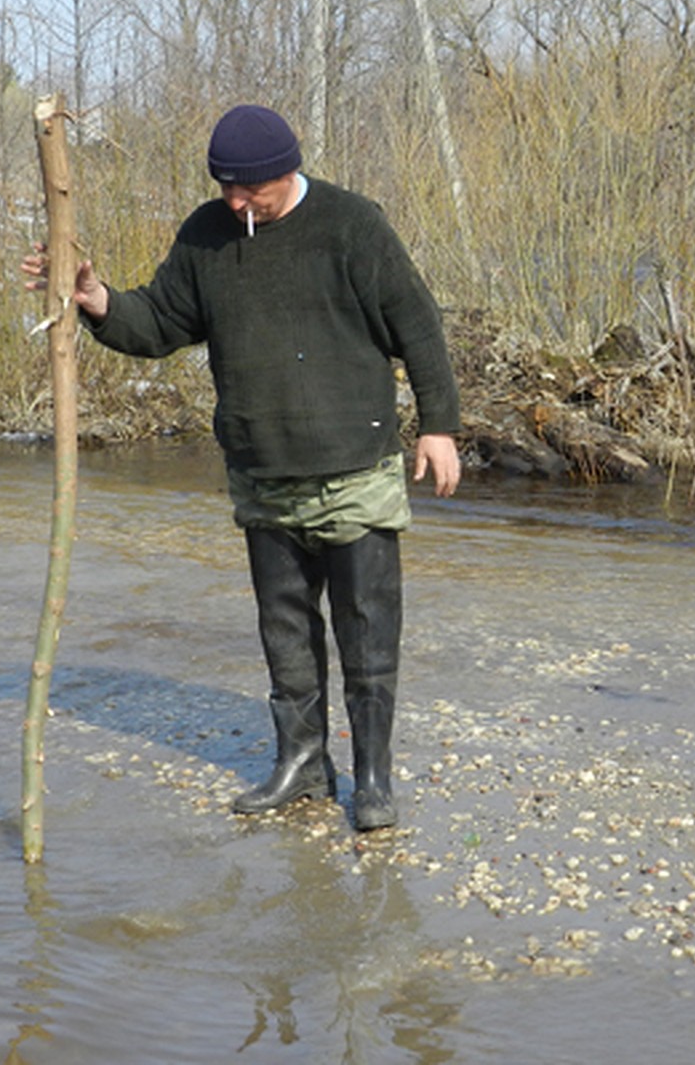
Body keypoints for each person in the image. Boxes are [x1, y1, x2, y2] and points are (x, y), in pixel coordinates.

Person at [23, 104, 462, 832]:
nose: (234, 201)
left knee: (366, 628)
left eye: (247, 189)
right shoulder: (206, 236)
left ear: (284, 172)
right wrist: (95, 299)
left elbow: (417, 324)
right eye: (224, 187)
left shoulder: (353, 227)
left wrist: (440, 428)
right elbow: (159, 321)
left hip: (355, 467)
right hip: (261, 470)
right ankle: (302, 764)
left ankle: (374, 777)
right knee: (284, 629)